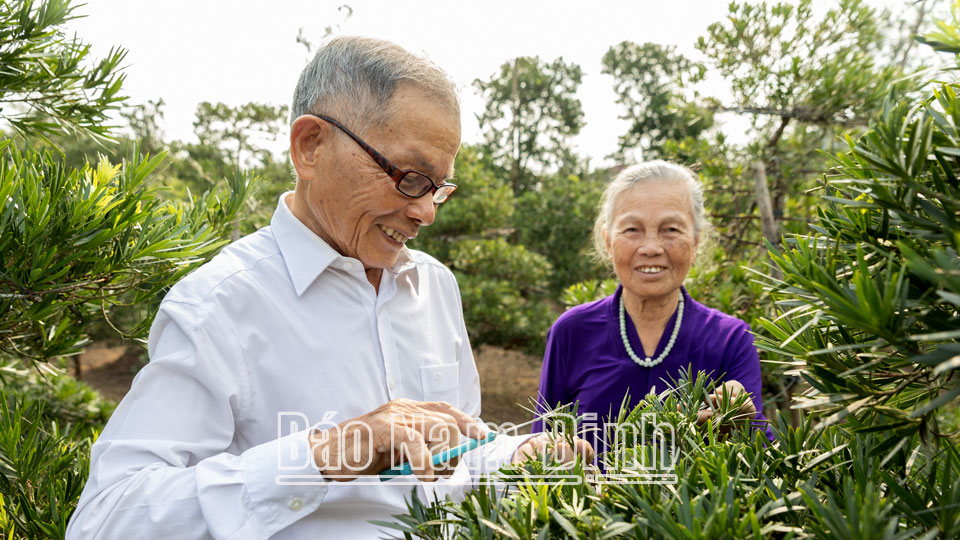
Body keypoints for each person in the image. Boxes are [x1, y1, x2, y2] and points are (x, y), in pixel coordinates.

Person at [67, 36, 590, 540]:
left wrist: (511, 458)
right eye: (410, 177)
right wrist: (325, 455)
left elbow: (453, 457)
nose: (426, 212)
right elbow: (106, 518)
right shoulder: (219, 306)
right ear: (311, 146)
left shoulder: (434, 286)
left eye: (439, 189)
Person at [532, 161, 774, 454]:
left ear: (696, 241)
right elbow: (540, 452)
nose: (651, 248)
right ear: (608, 241)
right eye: (632, 229)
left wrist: (742, 426)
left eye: (671, 229)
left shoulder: (730, 340)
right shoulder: (572, 332)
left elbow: (762, 461)